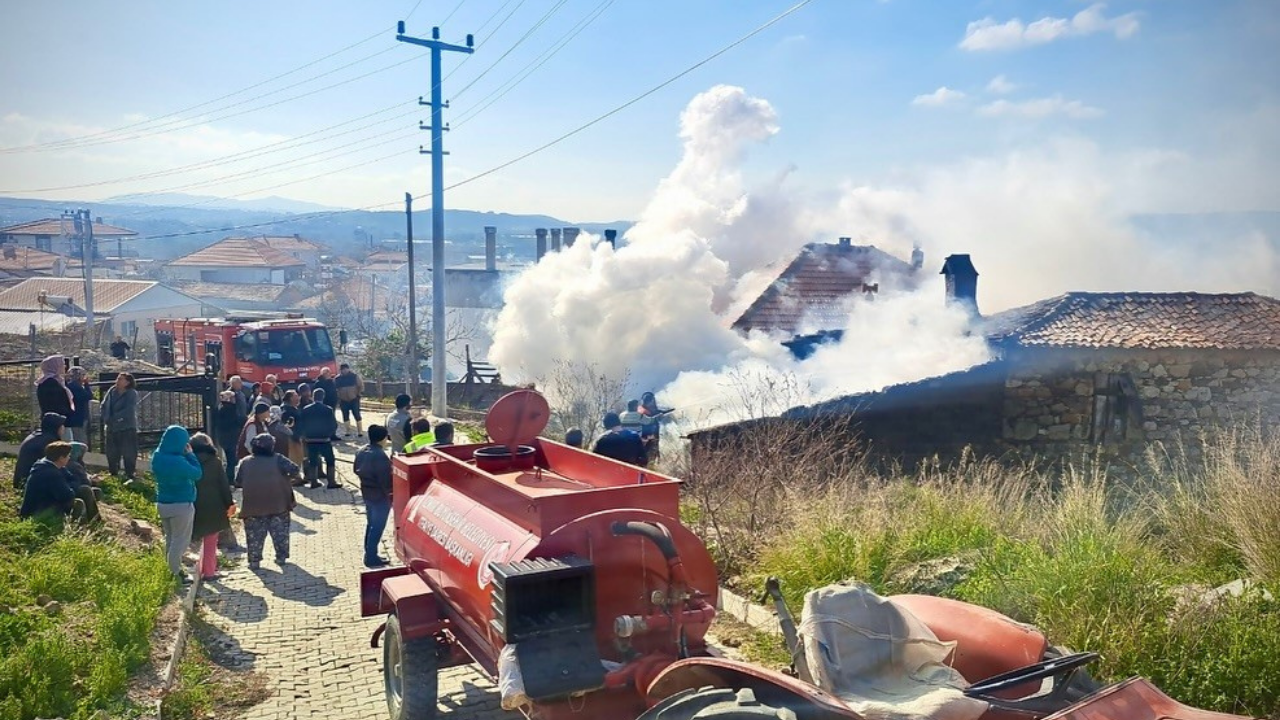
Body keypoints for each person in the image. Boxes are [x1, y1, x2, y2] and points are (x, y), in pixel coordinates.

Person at [236, 434, 299, 571]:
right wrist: (286, 479)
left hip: (252, 505)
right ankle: (281, 557)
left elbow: (238, 481)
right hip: (278, 504)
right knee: (280, 533)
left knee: (254, 535)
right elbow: (295, 470)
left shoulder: (245, 462)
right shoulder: (279, 459)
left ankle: (254, 561)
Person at [151, 425, 203, 584]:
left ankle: (169, 569)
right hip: (181, 504)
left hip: (163, 502)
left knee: (171, 538)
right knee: (180, 541)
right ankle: (175, 573)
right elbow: (197, 473)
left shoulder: (157, 456)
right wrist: (191, 455)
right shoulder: (178, 462)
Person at [189, 433, 235, 581]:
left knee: (192, 537)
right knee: (210, 540)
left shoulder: (187, 460)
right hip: (213, 504)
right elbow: (223, 485)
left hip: (192, 502)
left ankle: (200, 567)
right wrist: (229, 503)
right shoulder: (215, 461)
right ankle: (209, 571)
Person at [354, 425, 393, 568]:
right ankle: (371, 557)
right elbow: (385, 480)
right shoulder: (380, 456)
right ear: (383, 439)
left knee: (370, 524)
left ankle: (370, 553)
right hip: (380, 497)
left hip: (367, 493)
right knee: (377, 527)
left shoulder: (361, 451)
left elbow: (355, 469)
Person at [19, 442, 85, 521]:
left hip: (47, 503)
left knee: (85, 489)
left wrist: (68, 486)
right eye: (68, 456)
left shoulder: (54, 466)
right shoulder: (51, 472)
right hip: (36, 512)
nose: (69, 458)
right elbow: (67, 496)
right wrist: (70, 486)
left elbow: (73, 478)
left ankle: (94, 522)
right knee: (78, 503)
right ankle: (81, 526)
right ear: (61, 458)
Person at [100, 373, 139, 479]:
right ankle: (113, 473)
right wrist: (106, 418)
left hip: (126, 427)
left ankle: (129, 473)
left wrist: (116, 418)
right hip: (111, 427)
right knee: (112, 452)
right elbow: (104, 405)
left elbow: (128, 410)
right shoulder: (112, 391)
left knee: (129, 452)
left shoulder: (131, 393)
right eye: (117, 378)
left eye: (120, 379)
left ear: (127, 382)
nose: (117, 381)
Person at [298, 388, 338, 488]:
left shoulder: (306, 409)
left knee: (313, 460)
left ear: (313, 396)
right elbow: (333, 425)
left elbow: (301, 424)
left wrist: (306, 435)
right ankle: (331, 482)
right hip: (324, 439)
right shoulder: (328, 409)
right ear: (323, 397)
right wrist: (329, 434)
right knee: (330, 460)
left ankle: (314, 482)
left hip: (310, 439)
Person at [13, 412, 66, 490]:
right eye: (61, 425)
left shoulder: (36, 435)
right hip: (30, 484)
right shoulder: (49, 442)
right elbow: (59, 465)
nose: (63, 427)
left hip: (21, 480)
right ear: (55, 427)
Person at [64, 442, 102, 524]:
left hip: (71, 488)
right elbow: (85, 481)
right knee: (90, 491)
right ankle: (94, 520)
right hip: (71, 490)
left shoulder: (69, 463)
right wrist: (92, 480)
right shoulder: (74, 465)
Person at [214, 390, 242, 481]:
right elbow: (235, 421)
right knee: (231, 460)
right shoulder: (230, 409)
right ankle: (230, 479)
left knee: (230, 459)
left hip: (224, 438)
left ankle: (229, 478)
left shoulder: (221, 408)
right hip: (230, 438)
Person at [36, 355, 73, 419]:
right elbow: (55, 403)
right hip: (56, 420)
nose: (65, 366)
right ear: (55, 366)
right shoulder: (50, 383)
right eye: (62, 364)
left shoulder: (56, 380)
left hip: (58, 418)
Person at [334, 363, 365, 438]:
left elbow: (360, 386)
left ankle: (360, 431)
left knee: (357, 414)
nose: (344, 371)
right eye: (342, 370)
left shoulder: (354, 376)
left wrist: (358, 395)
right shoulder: (337, 378)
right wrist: (338, 397)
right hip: (343, 400)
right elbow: (335, 389)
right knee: (345, 415)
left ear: (348, 369)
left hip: (354, 399)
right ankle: (348, 431)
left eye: (345, 369)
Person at [65, 367, 93, 446]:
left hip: (71, 417)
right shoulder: (76, 387)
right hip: (78, 418)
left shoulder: (68, 386)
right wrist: (87, 385)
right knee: (79, 440)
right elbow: (88, 396)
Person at [280, 390, 304, 467]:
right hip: (293, 440)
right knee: (295, 460)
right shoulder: (287, 410)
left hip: (296, 437)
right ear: (290, 398)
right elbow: (287, 426)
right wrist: (295, 437)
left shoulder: (292, 408)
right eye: (296, 396)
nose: (298, 398)